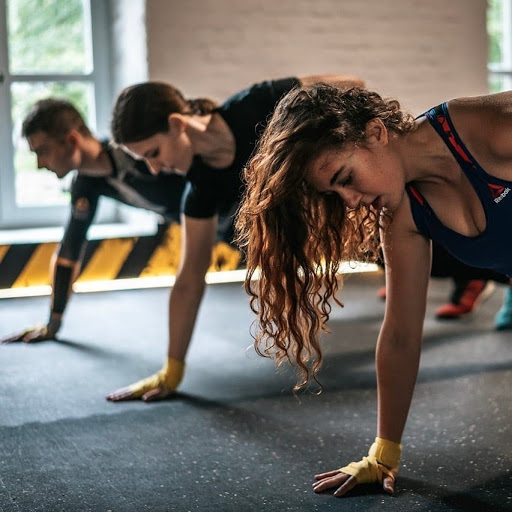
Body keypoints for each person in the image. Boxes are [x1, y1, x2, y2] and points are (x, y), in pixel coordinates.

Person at [235, 83, 512, 497]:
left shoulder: (492, 129)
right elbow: (400, 333)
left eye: (346, 178)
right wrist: (384, 453)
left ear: (376, 132)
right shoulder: (400, 212)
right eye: (335, 193)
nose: (349, 201)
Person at [105, 74, 365, 402]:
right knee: (427, 262)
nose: (155, 169)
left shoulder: (256, 104)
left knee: (435, 250)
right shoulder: (200, 190)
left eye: (153, 152)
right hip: (330, 233)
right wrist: (172, 371)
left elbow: (352, 83)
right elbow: (188, 279)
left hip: (358, 201)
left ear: (177, 124)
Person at [1, 98, 187, 344]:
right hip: (209, 227)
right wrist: (53, 324)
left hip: (235, 214)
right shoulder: (86, 184)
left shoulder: (135, 151)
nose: (39, 164)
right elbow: (69, 250)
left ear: (72, 140)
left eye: (42, 152)